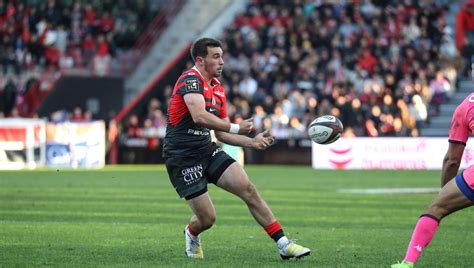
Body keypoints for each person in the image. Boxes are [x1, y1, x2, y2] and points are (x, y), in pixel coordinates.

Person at [163, 37, 311, 260]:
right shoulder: (190, 81)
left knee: (247, 188)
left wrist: (252, 141)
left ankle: (283, 244)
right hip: (182, 156)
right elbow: (200, 117)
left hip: (206, 149)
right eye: (216, 57)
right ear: (201, 60)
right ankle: (191, 232)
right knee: (207, 219)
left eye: (222, 56)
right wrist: (237, 127)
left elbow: (222, 134)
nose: (222, 61)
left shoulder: (218, 89)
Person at [391, 60, 474, 268]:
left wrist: (446, 191)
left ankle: (407, 263)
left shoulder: (466, 107)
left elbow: (452, 159)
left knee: (436, 207)